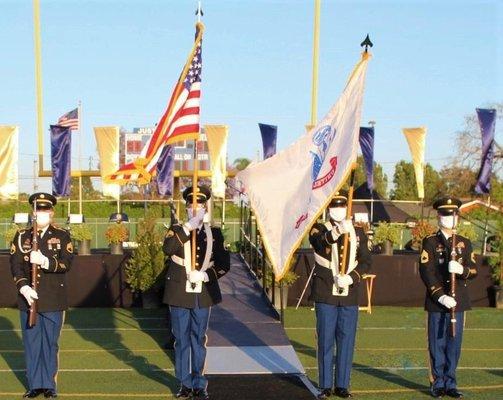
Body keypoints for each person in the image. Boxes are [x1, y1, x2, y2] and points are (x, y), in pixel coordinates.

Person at [163, 185, 230, 400]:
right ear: (186, 208)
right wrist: (186, 228)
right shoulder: (175, 229)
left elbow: (223, 264)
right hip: (179, 290)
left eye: (199, 204)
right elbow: (168, 249)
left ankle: (199, 383)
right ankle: (184, 384)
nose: (195, 208)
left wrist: (206, 276)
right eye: (191, 205)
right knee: (181, 339)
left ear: (205, 207)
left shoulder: (214, 233)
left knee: (198, 338)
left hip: (202, 292)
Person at [308, 191, 371, 399]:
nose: (338, 209)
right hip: (326, 290)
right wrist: (336, 233)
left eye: (342, 206)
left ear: (347, 207)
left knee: (346, 339)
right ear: (328, 208)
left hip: (349, 292)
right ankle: (325, 385)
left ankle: (342, 385)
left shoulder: (359, 233)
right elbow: (319, 243)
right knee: (325, 339)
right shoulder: (318, 228)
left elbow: (366, 261)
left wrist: (352, 277)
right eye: (334, 206)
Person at [10, 192, 73, 398]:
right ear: (32, 212)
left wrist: (45, 261)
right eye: (38, 209)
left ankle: (49, 385)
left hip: (53, 298)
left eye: (45, 210)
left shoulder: (62, 236)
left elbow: (67, 263)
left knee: (50, 343)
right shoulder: (22, 237)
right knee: (32, 343)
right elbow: (16, 266)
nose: (41, 213)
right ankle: (35, 385)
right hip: (29, 300)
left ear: (52, 213)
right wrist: (23, 288)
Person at [419, 197, 477, 399]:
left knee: (454, 344)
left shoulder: (464, 242)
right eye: (445, 214)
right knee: (437, 343)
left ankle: (451, 382)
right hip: (438, 302)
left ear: (457, 217)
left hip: (458, 301)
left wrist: (462, 270)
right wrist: (441, 296)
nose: (449, 218)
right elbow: (427, 272)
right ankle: (437, 383)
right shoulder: (430, 242)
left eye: (453, 214)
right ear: (438, 216)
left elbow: (474, 270)